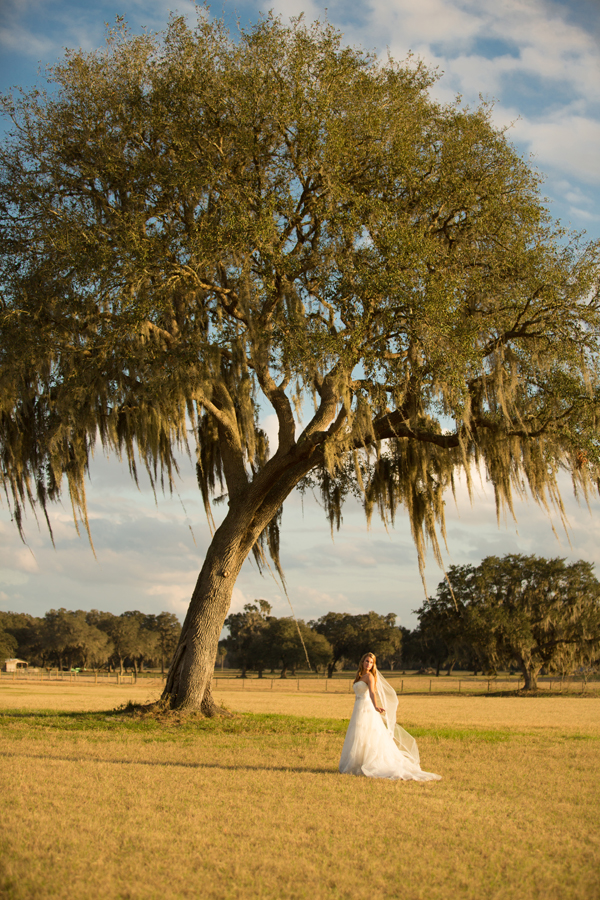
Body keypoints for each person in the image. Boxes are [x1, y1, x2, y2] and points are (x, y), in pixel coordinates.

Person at [339, 652, 441, 781]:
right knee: (357, 735)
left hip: (366, 708)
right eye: (367, 661)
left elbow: (372, 693)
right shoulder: (359, 676)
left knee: (367, 734)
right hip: (358, 708)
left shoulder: (369, 677)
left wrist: (376, 706)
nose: (368, 664)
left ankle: (368, 763)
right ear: (362, 662)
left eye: (371, 662)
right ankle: (356, 763)